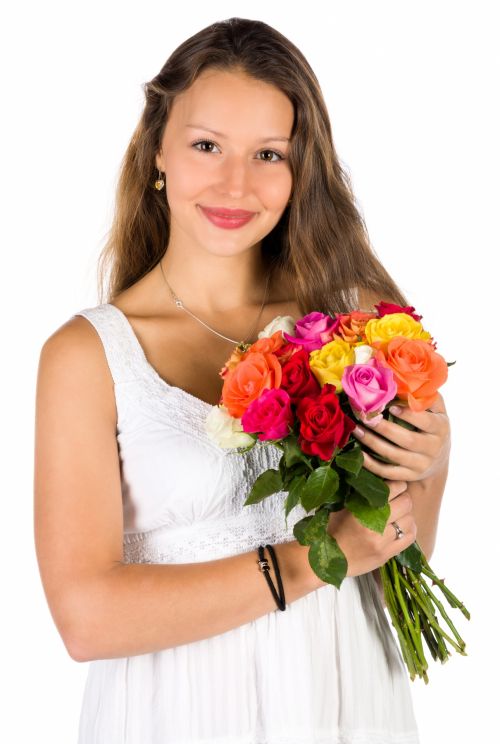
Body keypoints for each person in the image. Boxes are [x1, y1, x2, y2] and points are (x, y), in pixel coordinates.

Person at [34, 17, 451, 744]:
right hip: (175, 714)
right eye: (206, 146)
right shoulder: (86, 356)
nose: (236, 183)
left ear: (301, 170)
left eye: (268, 154)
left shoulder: (353, 326)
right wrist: (316, 561)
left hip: (344, 701)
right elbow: (86, 619)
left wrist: (430, 465)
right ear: (157, 149)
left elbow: (396, 574)